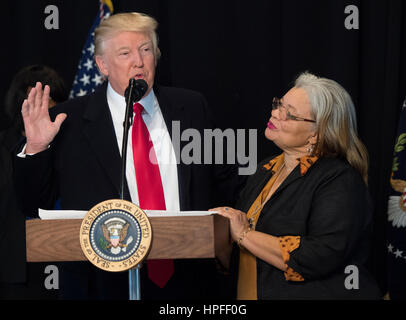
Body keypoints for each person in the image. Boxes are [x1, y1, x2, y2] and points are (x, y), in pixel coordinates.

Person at [14, 12, 244, 300]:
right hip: (100, 286)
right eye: (125, 53)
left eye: (146, 50)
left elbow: (225, 183)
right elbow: (34, 203)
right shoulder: (68, 120)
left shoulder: (192, 107)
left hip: (188, 280)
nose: (139, 61)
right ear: (102, 64)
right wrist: (36, 149)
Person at [212, 72, 382, 299]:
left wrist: (244, 235)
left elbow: (319, 256)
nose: (275, 113)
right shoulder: (266, 169)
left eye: (289, 114)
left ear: (317, 134)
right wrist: (222, 239)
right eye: (279, 105)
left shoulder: (340, 180)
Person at [0, 65, 67, 299]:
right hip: (14, 274)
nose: (40, 113)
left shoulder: (73, 147)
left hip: (69, 265)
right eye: (32, 104)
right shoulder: (3, 147)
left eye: (47, 104)